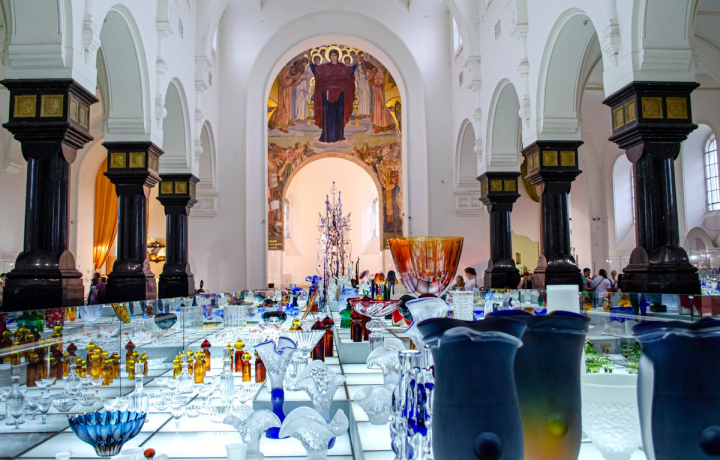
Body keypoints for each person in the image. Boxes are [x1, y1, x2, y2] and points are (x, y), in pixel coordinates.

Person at [310, 49, 357, 142]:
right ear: (329, 57)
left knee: (339, 115)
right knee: (328, 115)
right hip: (327, 94)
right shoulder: (325, 67)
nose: (333, 57)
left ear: (338, 56)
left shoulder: (342, 67)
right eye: (331, 55)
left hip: (340, 95)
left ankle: (339, 136)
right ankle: (327, 136)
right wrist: (310, 62)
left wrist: (356, 64)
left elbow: (350, 72)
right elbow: (316, 71)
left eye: (335, 55)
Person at [268, 60, 303, 132]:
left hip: (288, 92)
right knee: (282, 108)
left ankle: (286, 122)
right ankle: (281, 125)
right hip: (283, 92)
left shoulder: (292, 70)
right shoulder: (285, 70)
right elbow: (283, 82)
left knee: (287, 107)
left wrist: (297, 78)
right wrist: (293, 78)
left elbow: (293, 83)